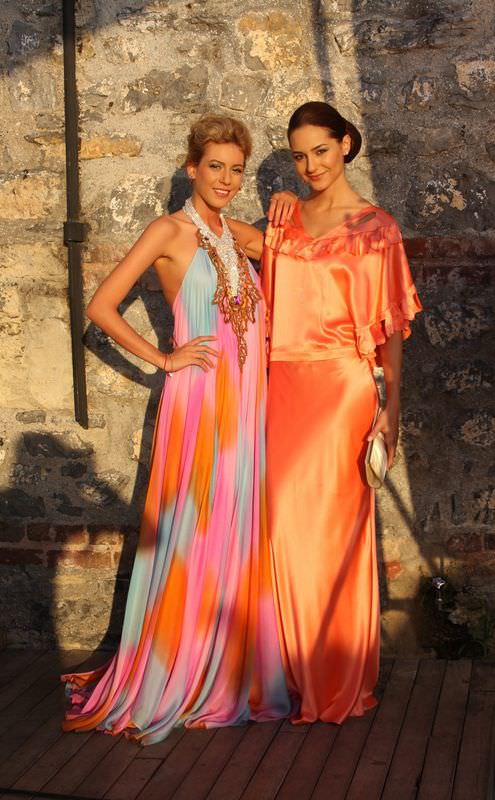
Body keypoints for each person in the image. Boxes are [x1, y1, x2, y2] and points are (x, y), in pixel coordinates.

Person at [62, 114, 295, 745]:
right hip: (200, 402)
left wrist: (284, 199)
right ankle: (180, 667)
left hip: (245, 403)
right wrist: (164, 359)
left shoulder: (233, 233)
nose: (226, 179)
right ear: (192, 168)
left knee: (235, 527)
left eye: (236, 170)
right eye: (215, 166)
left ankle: (229, 665)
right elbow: (100, 305)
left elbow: (295, 245)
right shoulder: (169, 230)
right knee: (195, 529)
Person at [261, 101, 422, 724]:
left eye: (321, 151)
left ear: (346, 144)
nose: (311, 166)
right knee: (282, 529)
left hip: (341, 388)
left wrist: (392, 406)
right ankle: (293, 673)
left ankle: (337, 677)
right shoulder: (285, 216)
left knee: (333, 535)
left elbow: (391, 329)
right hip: (283, 385)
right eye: (299, 157)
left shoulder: (378, 228)